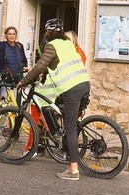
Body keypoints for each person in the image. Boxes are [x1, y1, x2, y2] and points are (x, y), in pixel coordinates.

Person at [17, 18, 90, 181]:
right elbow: (56, 66)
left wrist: (23, 81)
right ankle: (61, 140)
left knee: (70, 127)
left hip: (72, 88)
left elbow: (39, 66)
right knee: (63, 115)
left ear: (48, 32)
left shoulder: (52, 45)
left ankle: (73, 170)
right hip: (84, 84)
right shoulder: (68, 44)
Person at [0, 26, 28, 98]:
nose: (12, 36)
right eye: (9, 34)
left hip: (17, 80)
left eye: (13, 34)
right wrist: (4, 72)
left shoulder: (19, 46)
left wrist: (23, 69)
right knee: (5, 103)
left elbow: (24, 61)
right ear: (6, 35)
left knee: (16, 103)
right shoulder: (2, 47)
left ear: (16, 35)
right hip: (6, 80)